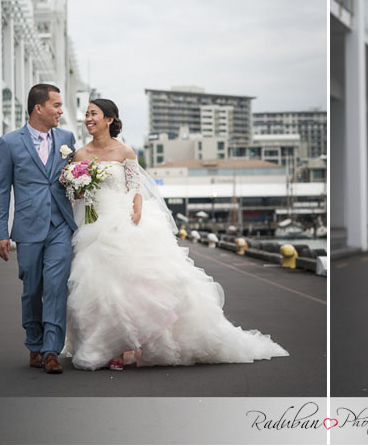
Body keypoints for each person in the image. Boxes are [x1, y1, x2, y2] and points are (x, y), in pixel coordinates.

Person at [62, 99, 288, 371]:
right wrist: (76, 184)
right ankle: (103, 344)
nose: (88, 118)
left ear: (109, 119)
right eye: (87, 114)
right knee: (96, 286)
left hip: (122, 221)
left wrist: (135, 215)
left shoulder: (125, 152)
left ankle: (128, 347)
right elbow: (76, 195)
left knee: (132, 286)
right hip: (91, 225)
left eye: (94, 114)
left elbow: (135, 190)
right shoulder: (80, 155)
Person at [0, 84, 78, 374]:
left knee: (56, 286)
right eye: (56, 105)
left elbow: (73, 176)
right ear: (38, 108)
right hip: (28, 226)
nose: (61, 111)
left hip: (60, 225)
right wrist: (0, 232)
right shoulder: (9, 143)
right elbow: (1, 191)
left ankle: (51, 350)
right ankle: (34, 342)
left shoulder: (67, 138)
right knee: (31, 289)